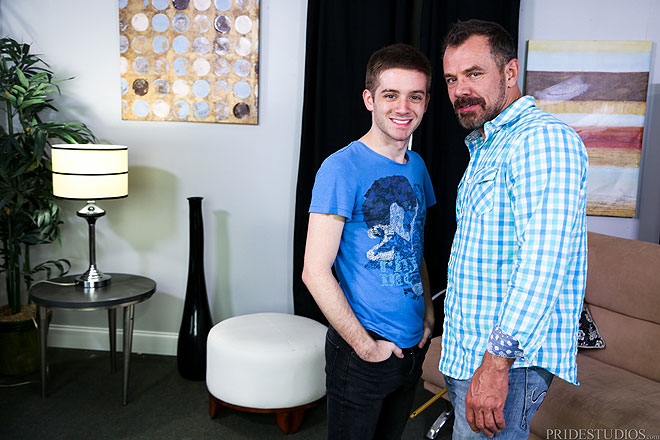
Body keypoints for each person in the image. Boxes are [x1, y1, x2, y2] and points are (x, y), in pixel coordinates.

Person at [439, 19, 588, 439]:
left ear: (510, 72)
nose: (460, 90)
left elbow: (543, 263)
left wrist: (495, 365)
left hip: (505, 364)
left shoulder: (540, 140)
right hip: (471, 355)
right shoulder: (489, 144)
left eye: (474, 73)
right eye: (451, 79)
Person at [302, 43, 436, 440]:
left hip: (410, 351)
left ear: (427, 102)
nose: (403, 108)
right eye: (390, 95)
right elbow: (314, 272)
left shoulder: (418, 166)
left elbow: (415, 247)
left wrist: (428, 317)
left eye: (415, 96)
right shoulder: (341, 168)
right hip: (362, 354)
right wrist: (365, 347)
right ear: (369, 100)